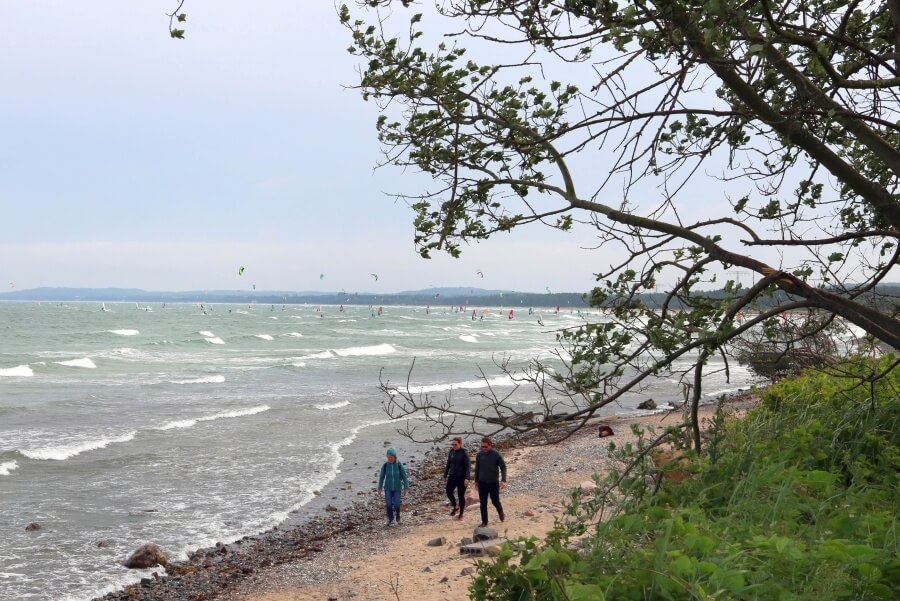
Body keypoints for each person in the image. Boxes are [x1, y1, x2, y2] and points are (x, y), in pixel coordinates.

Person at [474, 437, 507, 527]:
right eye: (482, 447)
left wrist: (503, 480)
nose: (483, 448)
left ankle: (500, 512)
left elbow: (503, 468)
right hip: (482, 482)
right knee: (483, 503)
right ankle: (484, 522)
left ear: (490, 445)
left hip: (493, 482)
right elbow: (477, 469)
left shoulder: (496, 455)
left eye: (485, 447)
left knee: (495, 501)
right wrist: (476, 481)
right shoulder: (479, 455)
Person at [377, 448, 409, 527]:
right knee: (388, 504)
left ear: (395, 457)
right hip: (388, 488)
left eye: (392, 457)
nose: (390, 459)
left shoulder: (398, 465)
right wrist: (379, 488)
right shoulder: (385, 466)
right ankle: (390, 519)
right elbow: (381, 477)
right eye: (389, 457)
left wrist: (406, 488)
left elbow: (404, 477)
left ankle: (398, 515)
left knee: (397, 504)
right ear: (387, 457)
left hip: (397, 488)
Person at [443, 437, 470, 520]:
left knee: (461, 495)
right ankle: (455, 506)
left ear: (460, 444)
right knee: (448, 491)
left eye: (455, 444)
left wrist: (467, 478)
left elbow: (467, 466)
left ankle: (461, 513)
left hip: (462, 477)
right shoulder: (451, 452)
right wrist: (445, 475)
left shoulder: (464, 453)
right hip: (452, 475)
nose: (454, 446)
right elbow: (448, 463)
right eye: (452, 444)